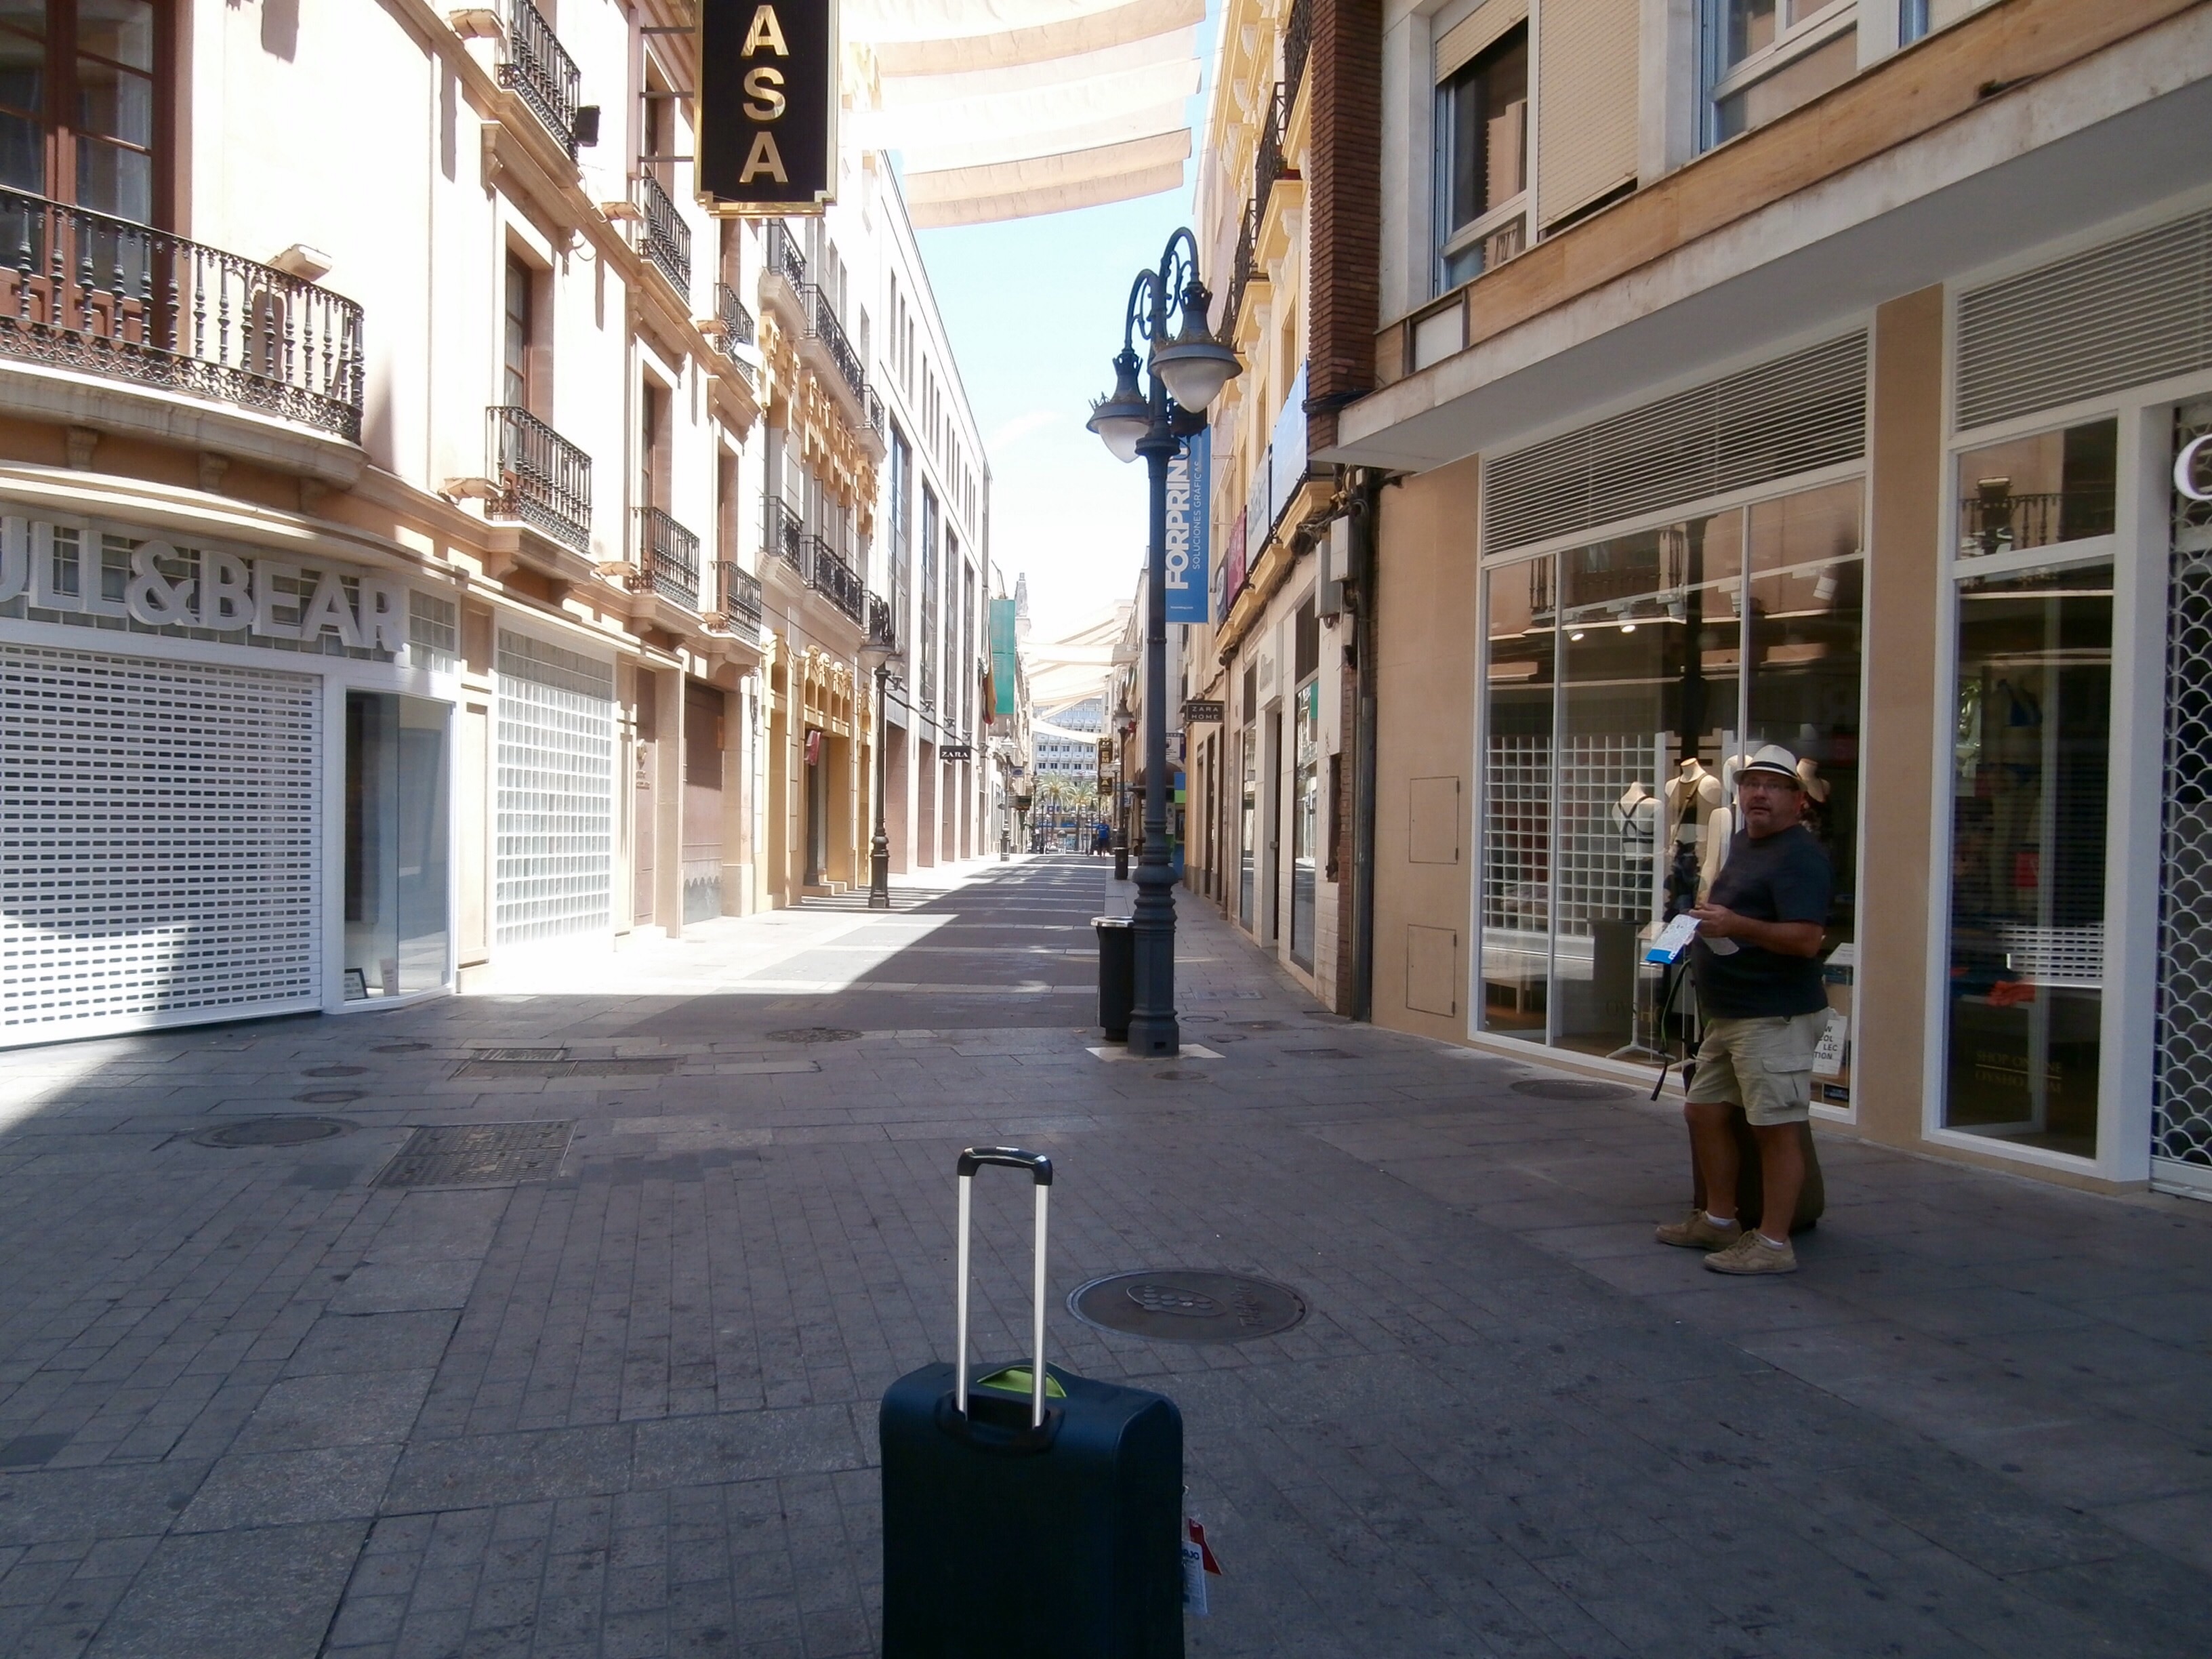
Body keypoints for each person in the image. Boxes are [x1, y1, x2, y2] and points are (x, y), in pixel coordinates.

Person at [1654, 743, 1832, 1277]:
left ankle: (1774, 1244)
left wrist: (1736, 925)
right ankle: (1719, 1220)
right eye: (1752, 784)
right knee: (1704, 1111)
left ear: (1798, 800)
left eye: (1774, 786)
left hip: (1774, 1014)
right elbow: (1737, 913)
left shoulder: (1801, 856)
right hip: (1731, 1012)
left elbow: (1806, 940)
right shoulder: (1744, 842)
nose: (1759, 794)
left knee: (1776, 1128)